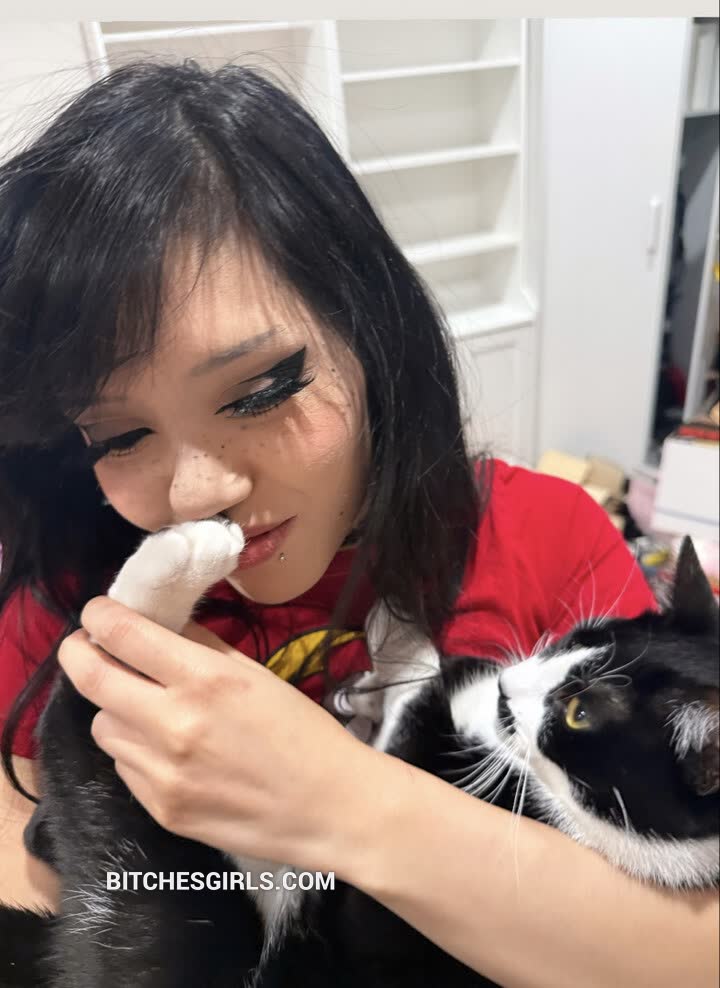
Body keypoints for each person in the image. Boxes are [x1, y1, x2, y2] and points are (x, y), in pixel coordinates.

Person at [0, 61, 716, 986]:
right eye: (120, 436)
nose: (198, 491)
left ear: (368, 328)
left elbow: (693, 949)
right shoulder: (73, 588)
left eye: (260, 391)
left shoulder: (545, 542)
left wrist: (340, 802)